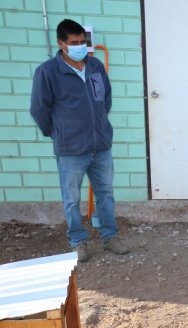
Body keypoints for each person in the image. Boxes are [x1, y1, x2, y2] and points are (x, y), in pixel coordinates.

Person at [30, 19, 129, 262]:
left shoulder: (95, 66)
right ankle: (78, 240)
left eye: (82, 42)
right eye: (74, 43)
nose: (79, 46)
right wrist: (58, 133)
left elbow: (105, 99)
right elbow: (39, 110)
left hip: (101, 146)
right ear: (61, 44)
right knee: (72, 199)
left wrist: (99, 126)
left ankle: (110, 236)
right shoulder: (48, 72)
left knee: (106, 193)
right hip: (71, 150)